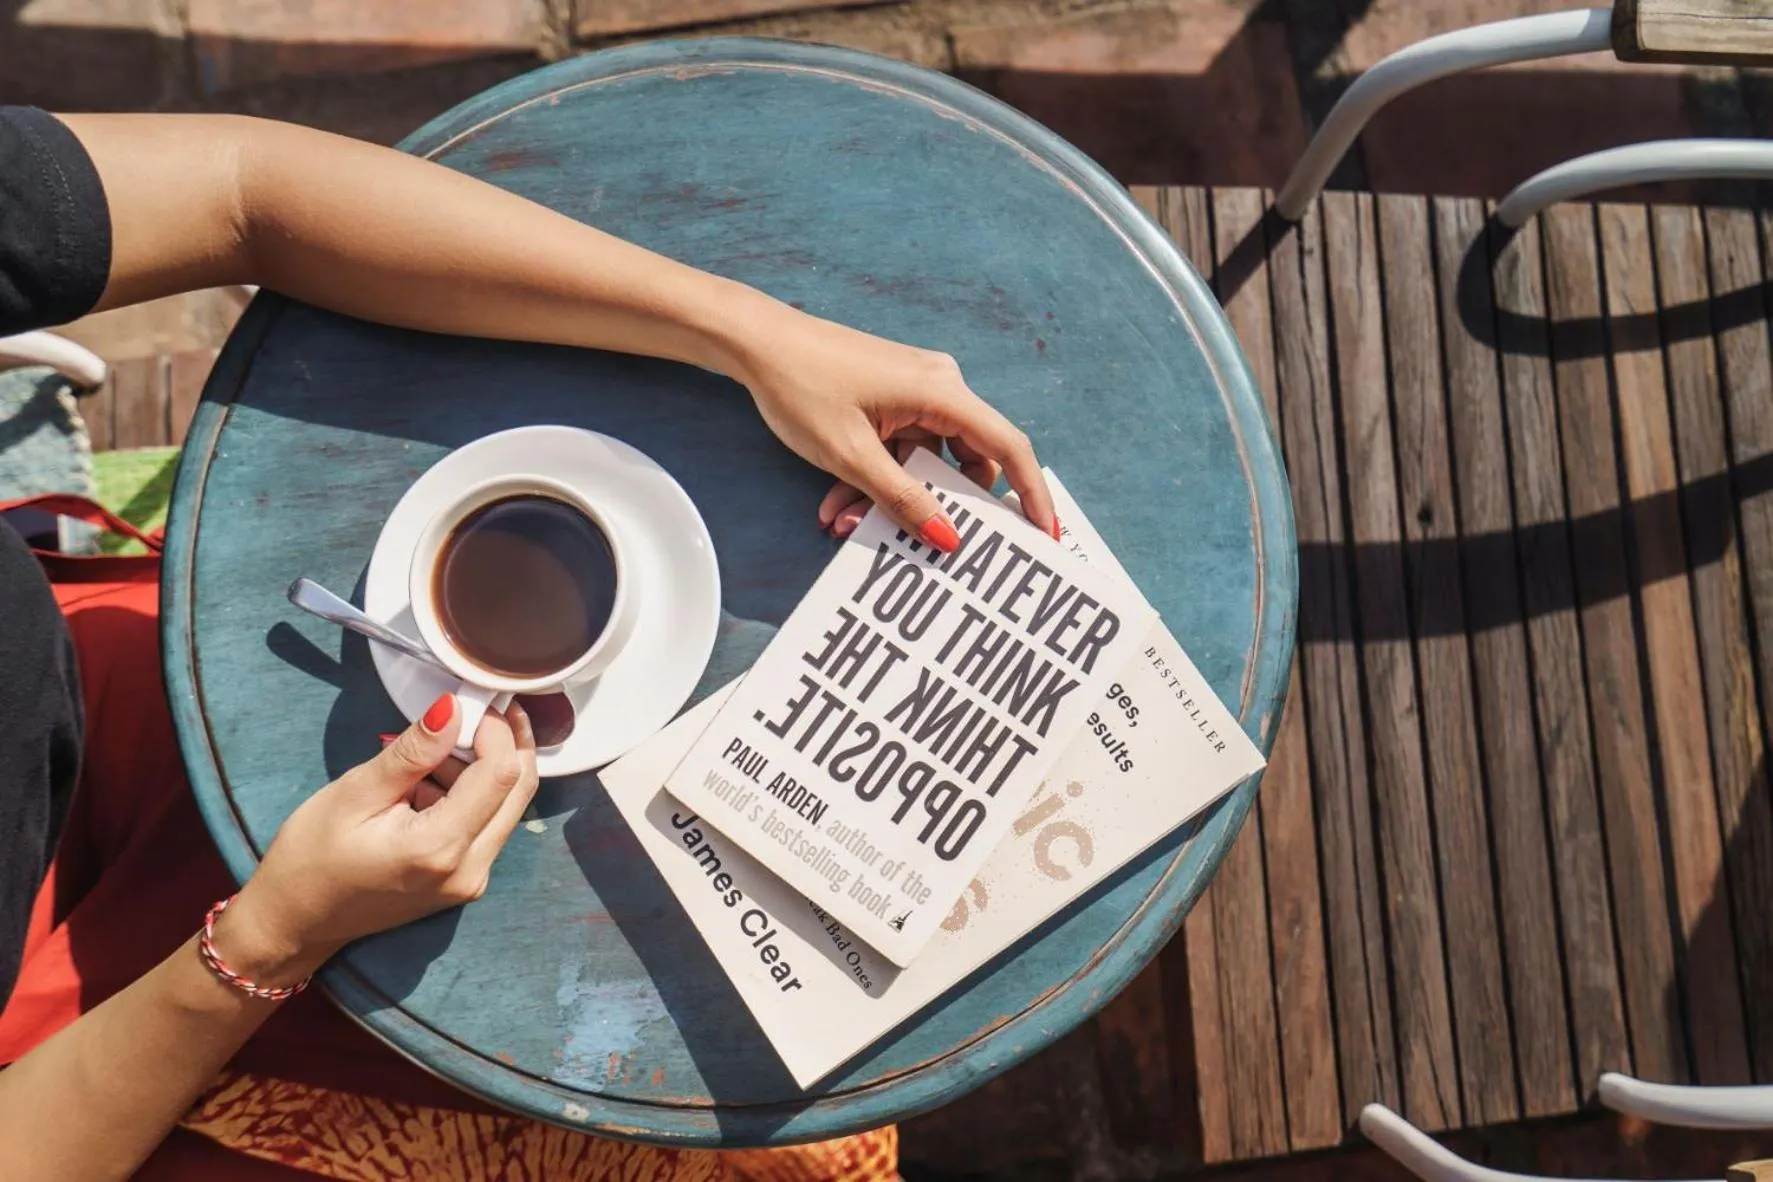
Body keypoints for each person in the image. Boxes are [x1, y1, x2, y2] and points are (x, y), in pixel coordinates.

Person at [0, 106, 1055, 1180]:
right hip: (111, 1038)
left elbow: (238, 187)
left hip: (113, 685)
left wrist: (752, 337)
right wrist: (271, 942)